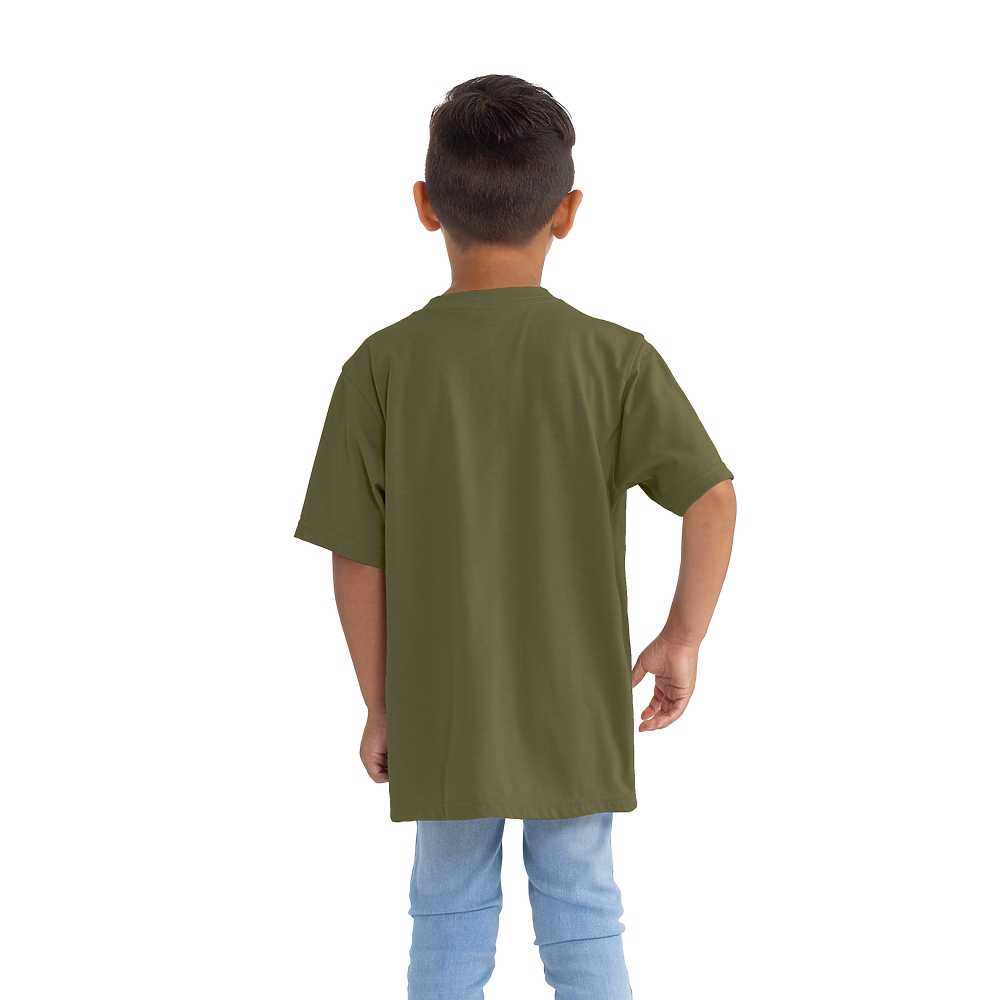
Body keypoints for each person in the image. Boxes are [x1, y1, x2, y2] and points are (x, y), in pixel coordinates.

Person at [293, 73, 737, 1000]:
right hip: (575, 701)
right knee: (583, 909)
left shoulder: (380, 366)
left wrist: (381, 702)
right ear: (566, 213)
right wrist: (682, 636)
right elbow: (712, 498)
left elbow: (357, 557)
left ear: (426, 206)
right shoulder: (615, 359)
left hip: (445, 706)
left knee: (447, 914)